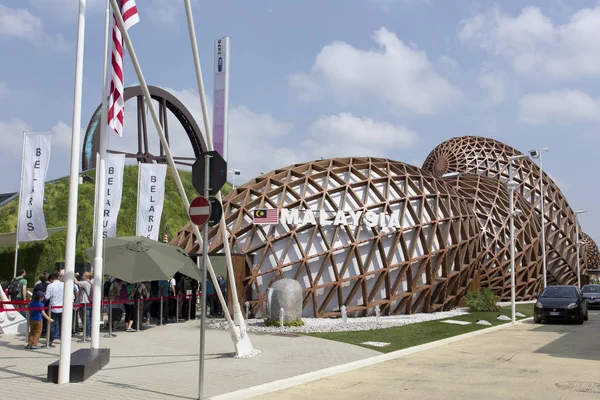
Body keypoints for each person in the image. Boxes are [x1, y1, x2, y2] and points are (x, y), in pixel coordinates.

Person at [44, 273, 63, 347]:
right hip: (63, 306)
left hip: (54, 306)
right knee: (62, 324)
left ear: (51, 280)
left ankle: (50, 340)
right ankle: (63, 338)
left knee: (52, 324)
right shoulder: (64, 284)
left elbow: (47, 297)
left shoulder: (50, 286)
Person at [75, 272, 92, 338]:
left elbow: (76, 282)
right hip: (89, 302)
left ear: (87, 276)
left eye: (83, 275)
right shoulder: (90, 282)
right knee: (89, 319)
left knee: (86, 319)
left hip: (85, 302)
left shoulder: (85, 283)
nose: (82, 276)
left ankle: (87, 333)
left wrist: (73, 275)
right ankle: (89, 332)